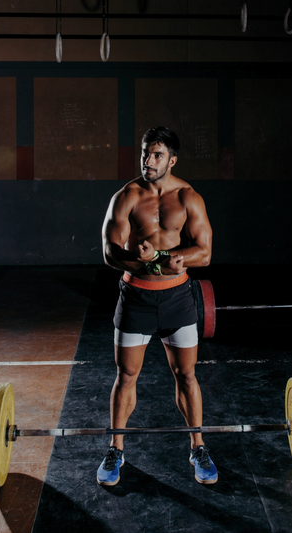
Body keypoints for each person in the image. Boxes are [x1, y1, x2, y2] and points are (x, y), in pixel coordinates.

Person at [97, 126, 216, 486]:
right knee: (127, 376)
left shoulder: (189, 197)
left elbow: (205, 253)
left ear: (172, 160)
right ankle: (116, 448)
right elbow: (110, 252)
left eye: (157, 155)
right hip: (137, 299)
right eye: (146, 153)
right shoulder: (126, 196)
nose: (148, 160)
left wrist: (166, 257)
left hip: (178, 300)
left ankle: (198, 446)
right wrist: (146, 264)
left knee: (187, 375)